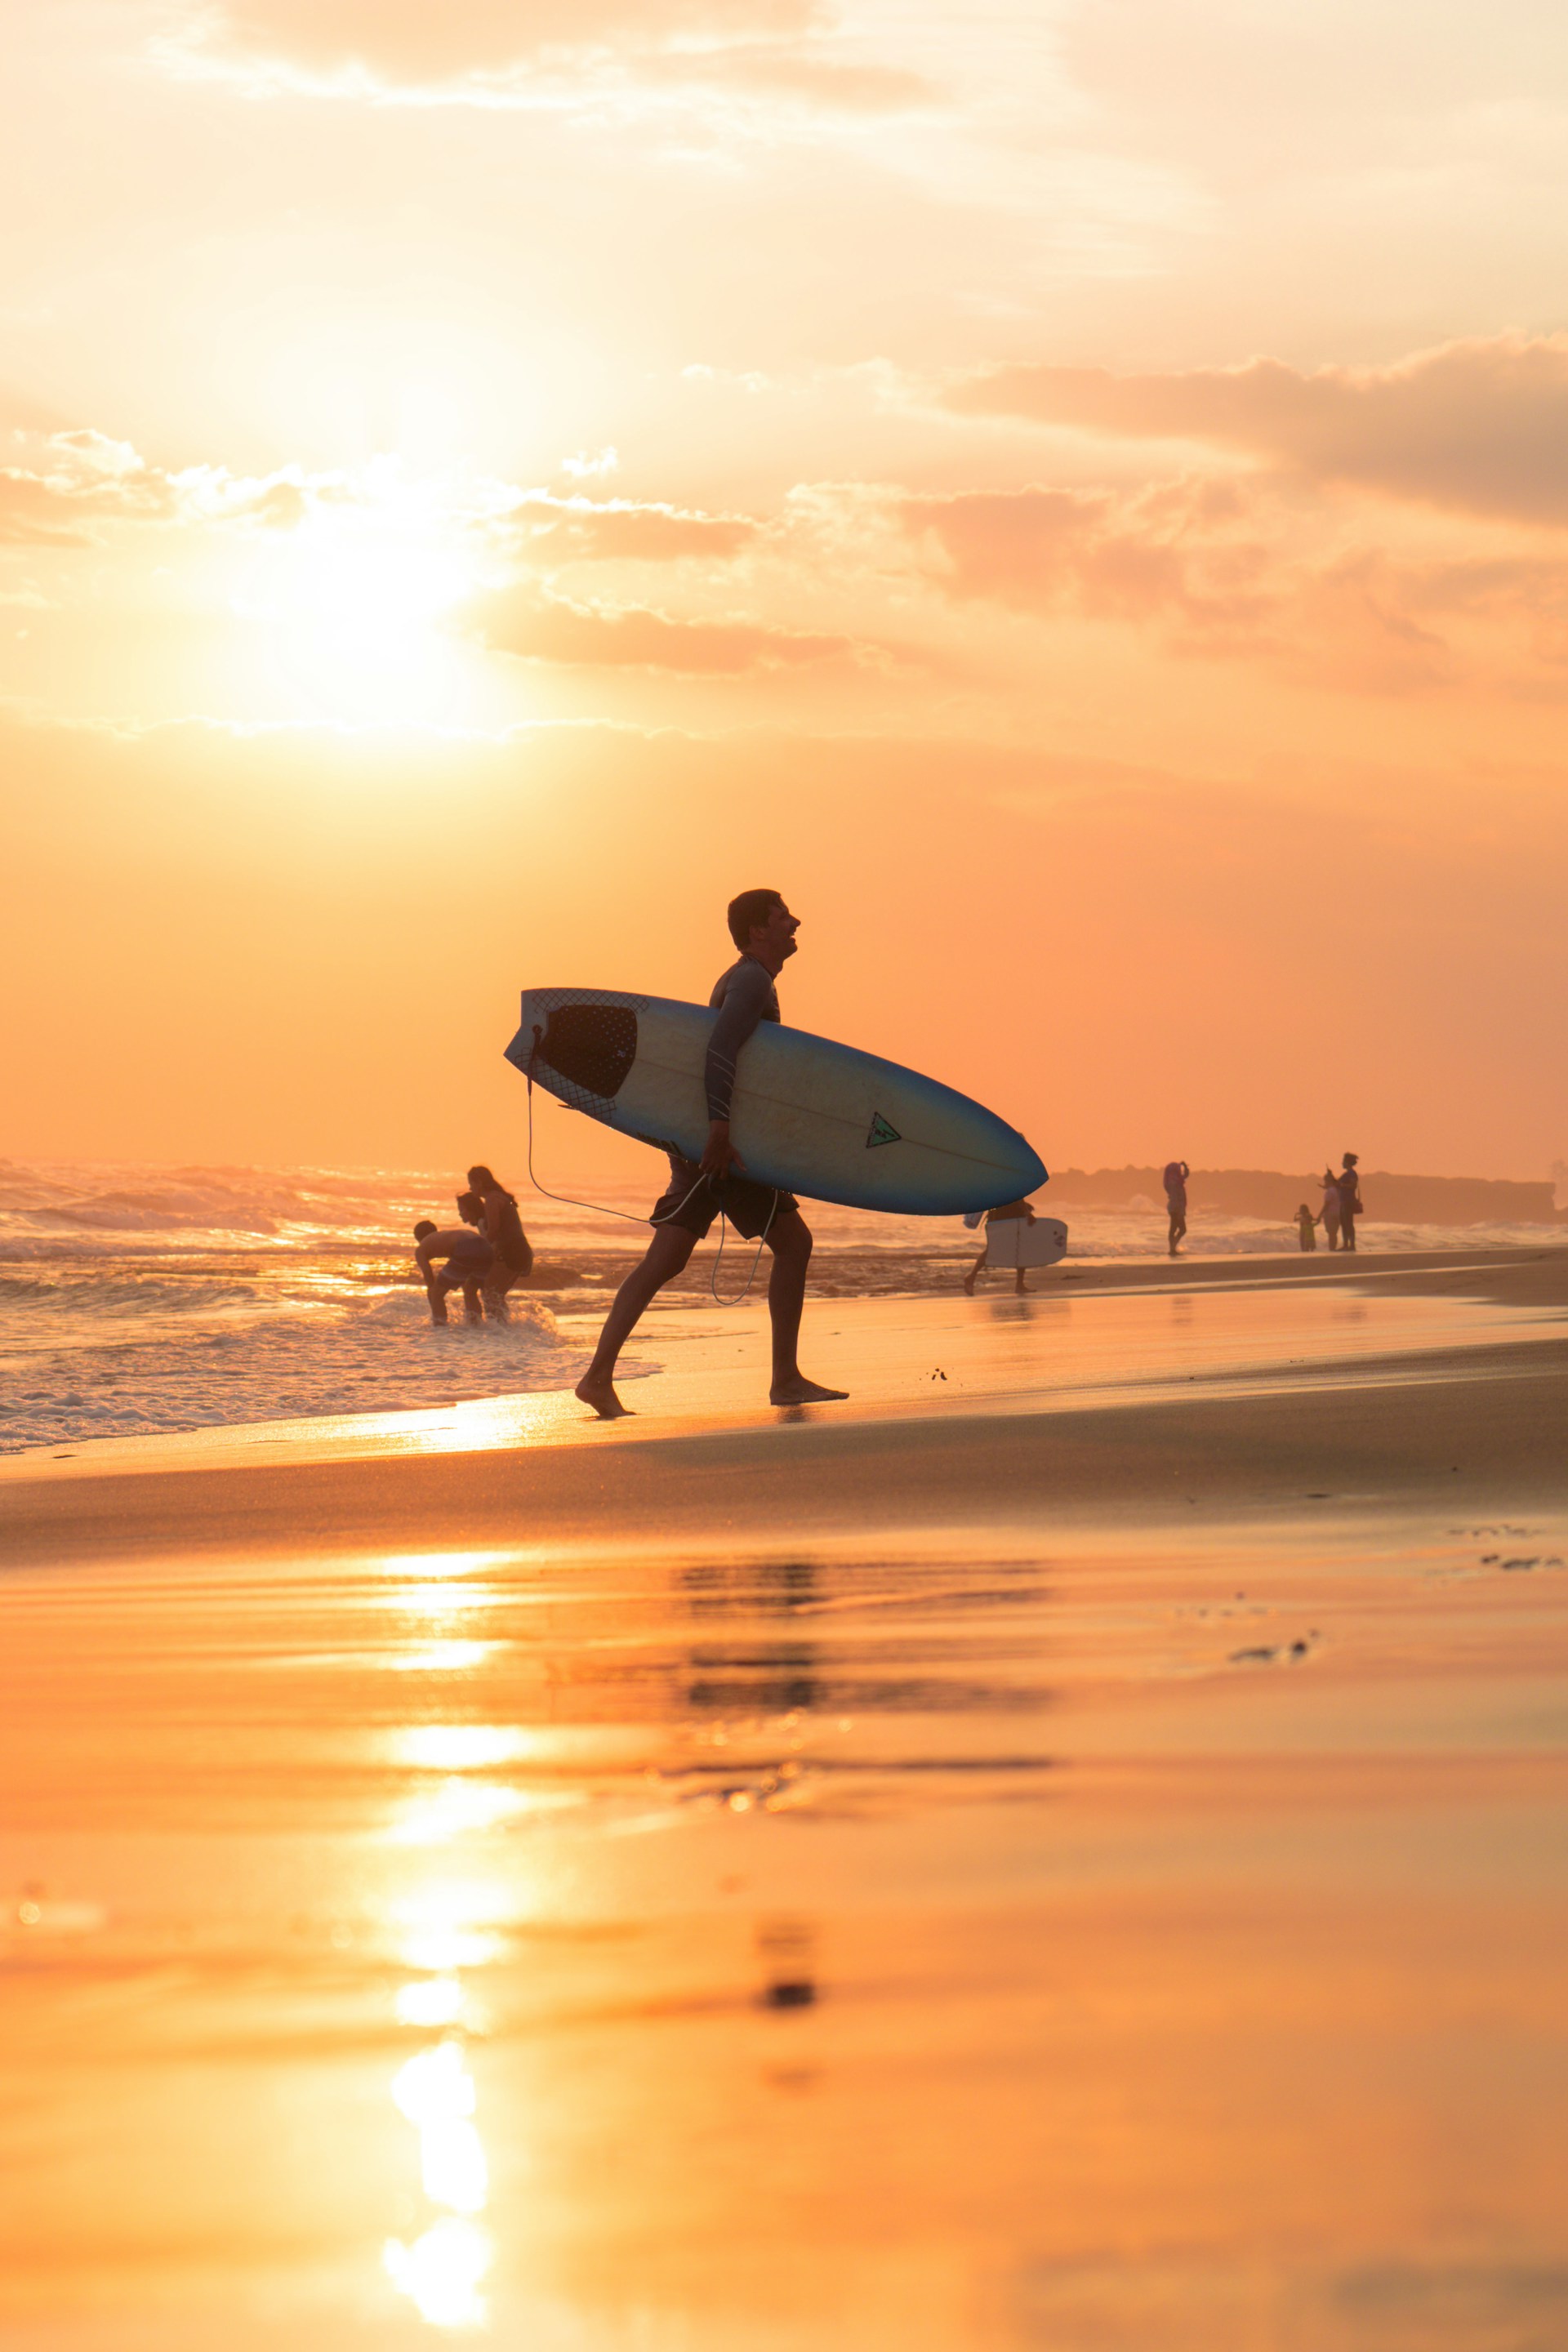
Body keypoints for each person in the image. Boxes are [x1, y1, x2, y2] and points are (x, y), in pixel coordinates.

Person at [574, 889, 849, 1419]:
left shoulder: (743, 978)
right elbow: (719, 1049)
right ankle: (785, 1380)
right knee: (793, 1243)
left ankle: (597, 1376)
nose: (795, 922)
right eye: (781, 917)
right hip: (725, 1149)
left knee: (666, 1259)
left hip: (704, 1144)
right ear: (757, 932)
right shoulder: (750, 980)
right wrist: (721, 1130)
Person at [466, 1163, 532, 1323]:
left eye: (471, 1183)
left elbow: (494, 1230)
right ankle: (504, 1332)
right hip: (520, 1251)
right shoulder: (499, 1197)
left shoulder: (492, 1199)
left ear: (479, 1182)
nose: (470, 1188)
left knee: (489, 1293)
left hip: (513, 1251)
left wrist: (480, 1250)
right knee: (495, 1294)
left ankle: (499, 1332)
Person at [414, 1196, 493, 1325]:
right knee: (470, 1291)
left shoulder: (421, 1247)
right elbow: (464, 1265)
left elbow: (429, 1278)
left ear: (417, 1238)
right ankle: (476, 1327)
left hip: (466, 1247)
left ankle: (440, 1329)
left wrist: (434, 1296)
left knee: (436, 1293)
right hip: (486, 1248)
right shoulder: (443, 1237)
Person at [963, 1198, 1040, 1296]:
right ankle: (971, 1277)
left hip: (997, 1212)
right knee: (1017, 1246)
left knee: (1017, 1246)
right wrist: (1026, 1212)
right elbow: (1017, 1194)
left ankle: (1019, 1284)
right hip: (1008, 1214)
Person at [1164, 1160, 1189, 1257]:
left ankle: (1173, 1248)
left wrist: (1185, 1167)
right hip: (1175, 1209)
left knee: (1177, 1229)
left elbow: (1185, 1176)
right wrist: (1179, 1212)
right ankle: (1172, 1248)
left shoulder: (1177, 1180)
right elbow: (1175, 1199)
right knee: (1178, 1229)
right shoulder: (1173, 1183)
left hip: (1177, 1209)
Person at [1337, 1152, 1362, 1253]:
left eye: (1343, 1161)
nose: (1342, 1163)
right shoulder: (1348, 1173)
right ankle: (1346, 1244)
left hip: (1348, 1201)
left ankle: (1351, 1245)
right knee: (1344, 1223)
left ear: (1347, 1162)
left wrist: (1342, 1185)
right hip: (1344, 1201)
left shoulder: (1351, 1173)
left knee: (1348, 1223)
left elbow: (1353, 1186)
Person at [1318, 1167, 1341, 1251]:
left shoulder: (1329, 1192)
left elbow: (1326, 1205)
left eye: (1325, 1181)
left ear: (1328, 1181)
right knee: (1334, 1233)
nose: (1324, 1183)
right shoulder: (1337, 1190)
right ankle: (1333, 1248)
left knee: (1331, 1233)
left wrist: (1319, 1215)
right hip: (1338, 1213)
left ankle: (1332, 1249)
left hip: (1330, 1214)